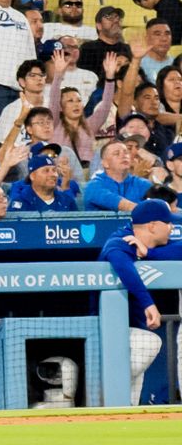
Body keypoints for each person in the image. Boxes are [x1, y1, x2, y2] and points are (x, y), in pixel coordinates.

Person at [98, 197, 173, 405]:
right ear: (152, 226)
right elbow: (120, 263)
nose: (171, 227)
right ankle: (101, 388)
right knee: (151, 342)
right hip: (104, 330)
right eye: (167, 223)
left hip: (129, 329)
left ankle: (118, 419)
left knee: (131, 398)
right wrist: (148, 303)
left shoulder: (149, 244)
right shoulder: (121, 239)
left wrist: (149, 253)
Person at [83, 140, 152, 212]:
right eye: (116, 153)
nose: (124, 155)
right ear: (105, 163)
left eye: (126, 152)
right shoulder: (93, 186)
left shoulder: (143, 184)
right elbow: (123, 205)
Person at [8, 153, 77, 212]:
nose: (53, 174)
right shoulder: (20, 202)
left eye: (54, 170)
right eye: (46, 171)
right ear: (32, 176)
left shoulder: (67, 200)